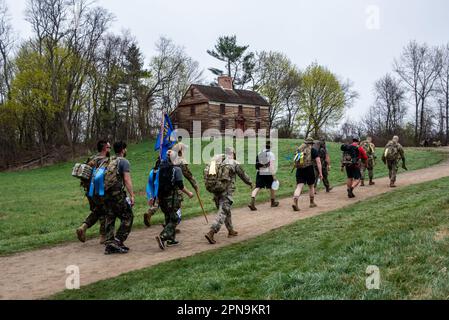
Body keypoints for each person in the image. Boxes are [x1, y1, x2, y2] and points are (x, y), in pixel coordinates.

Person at [205, 147, 253, 245]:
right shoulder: (233, 162)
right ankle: (211, 232)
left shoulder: (216, 160)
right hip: (225, 191)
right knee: (223, 212)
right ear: (233, 153)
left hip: (215, 189)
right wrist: (250, 182)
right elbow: (242, 174)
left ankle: (230, 230)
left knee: (226, 210)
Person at [155, 150, 194, 250]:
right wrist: (189, 193)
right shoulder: (176, 169)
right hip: (171, 198)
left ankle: (171, 240)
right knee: (175, 218)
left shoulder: (161, 168)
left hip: (161, 197)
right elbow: (180, 186)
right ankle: (162, 236)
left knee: (168, 217)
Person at [103, 141, 135, 254]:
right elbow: (126, 179)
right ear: (123, 150)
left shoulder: (109, 160)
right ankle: (117, 241)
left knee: (110, 217)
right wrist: (132, 195)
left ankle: (109, 244)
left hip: (106, 194)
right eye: (125, 149)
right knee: (128, 216)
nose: (126, 151)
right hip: (117, 195)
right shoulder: (124, 162)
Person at [76, 140, 110, 244]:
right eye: (109, 147)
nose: (110, 149)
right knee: (104, 211)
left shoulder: (92, 158)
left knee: (97, 210)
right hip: (99, 191)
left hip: (89, 192)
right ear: (104, 148)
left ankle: (83, 227)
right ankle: (103, 236)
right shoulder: (106, 161)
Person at [292, 137, 323, 211]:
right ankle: (311, 203)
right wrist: (320, 173)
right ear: (311, 144)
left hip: (299, 169)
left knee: (299, 186)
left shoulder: (299, 149)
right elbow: (318, 162)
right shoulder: (313, 150)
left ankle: (295, 201)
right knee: (311, 186)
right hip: (309, 169)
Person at [248, 141, 279, 211]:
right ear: (270, 147)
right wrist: (273, 175)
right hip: (268, 172)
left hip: (260, 172)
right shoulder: (271, 154)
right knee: (272, 187)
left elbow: (257, 165)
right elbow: (271, 165)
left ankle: (251, 202)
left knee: (257, 187)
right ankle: (273, 202)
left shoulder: (259, 153)